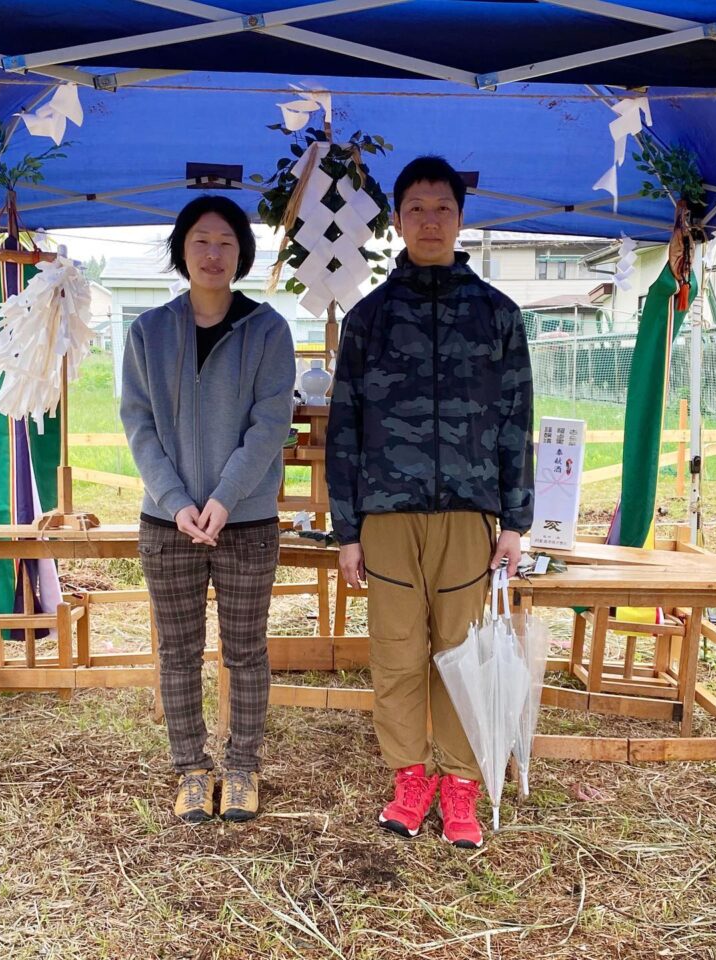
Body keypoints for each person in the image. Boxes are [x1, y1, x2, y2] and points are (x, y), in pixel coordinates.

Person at [326, 156, 534, 849]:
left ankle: (462, 782)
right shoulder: (369, 320)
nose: (429, 221)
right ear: (396, 220)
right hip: (386, 515)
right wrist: (347, 529)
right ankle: (410, 776)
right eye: (415, 208)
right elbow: (345, 428)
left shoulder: (498, 317)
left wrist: (517, 521)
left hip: (469, 513)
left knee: (462, 651)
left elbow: (515, 420)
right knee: (395, 653)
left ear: (461, 217)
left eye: (442, 207)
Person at [121, 195, 295, 824]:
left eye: (226, 242)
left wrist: (223, 498)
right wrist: (175, 501)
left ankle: (243, 766)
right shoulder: (148, 332)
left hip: (245, 521)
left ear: (242, 254)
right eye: (201, 241)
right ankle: (192, 769)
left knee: (245, 649)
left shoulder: (268, 329)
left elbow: (271, 422)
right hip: (167, 523)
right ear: (182, 250)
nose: (213, 253)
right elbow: (138, 425)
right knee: (178, 650)